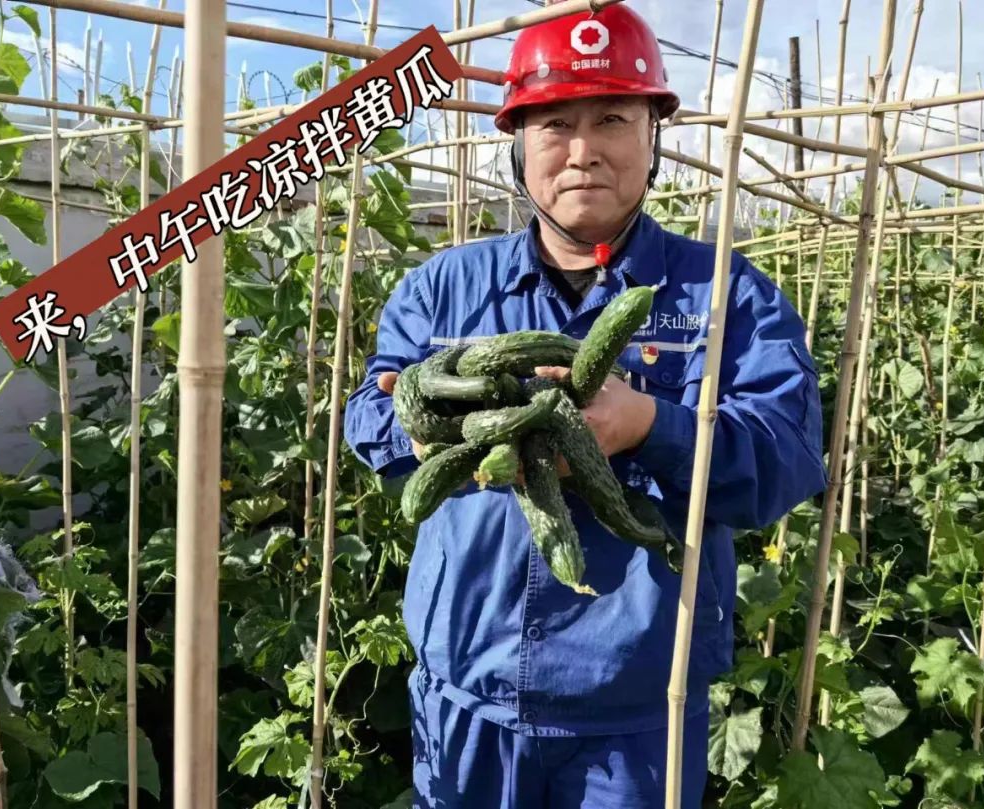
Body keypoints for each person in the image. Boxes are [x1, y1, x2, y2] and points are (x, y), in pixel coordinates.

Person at [344, 5, 828, 807]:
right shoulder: (442, 289)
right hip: (466, 689)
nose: (582, 150)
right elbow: (370, 410)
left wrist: (649, 425)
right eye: (555, 124)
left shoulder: (728, 296)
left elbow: (787, 459)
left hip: (638, 709)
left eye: (612, 119)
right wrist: (416, 428)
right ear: (518, 145)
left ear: (653, 136)